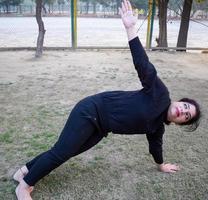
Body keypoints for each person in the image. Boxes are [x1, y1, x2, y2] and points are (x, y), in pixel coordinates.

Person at [13, 1, 201, 199]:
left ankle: (24, 172)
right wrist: (130, 29)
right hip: (91, 110)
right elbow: (143, 64)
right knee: (61, 153)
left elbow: (156, 146)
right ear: (181, 101)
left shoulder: (157, 127)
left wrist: (161, 165)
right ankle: (24, 186)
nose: (183, 111)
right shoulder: (160, 93)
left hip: (100, 129)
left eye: (187, 116)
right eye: (186, 106)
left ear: (181, 122)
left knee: (64, 152)